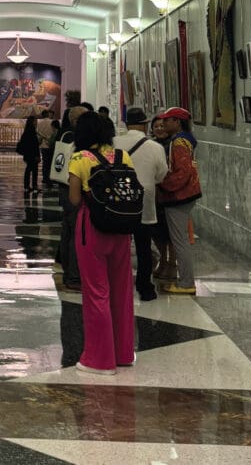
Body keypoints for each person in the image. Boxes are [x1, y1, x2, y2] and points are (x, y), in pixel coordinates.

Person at [67, 111, 137, 374]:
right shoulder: (123, 156)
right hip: (121, 228)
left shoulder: (80, 159)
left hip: (92, 229)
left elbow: (74, 199)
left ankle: (99, 359)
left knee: (96, 292)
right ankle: (122, 352)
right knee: (121, 290)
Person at [113, 108, 168, 302]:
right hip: (144, 199)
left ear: (126, 125)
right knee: (144, 246)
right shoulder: (155, 147)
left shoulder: (114, 143)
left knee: (120, 245)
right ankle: (145, 287)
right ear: (145, 125)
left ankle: (119, 285)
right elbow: (162, 175)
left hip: (119, 199)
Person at [157, 107, 203, 295]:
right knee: (180, 239)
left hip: (179, 196)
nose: (163, 124)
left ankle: (186, 283)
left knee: (180, 241)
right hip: (184, 194)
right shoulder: (182, 140)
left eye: (167, 120)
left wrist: (164, 185)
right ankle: (185, 280)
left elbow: (182, 173)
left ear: (177, 122)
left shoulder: (179, 143)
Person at [57, 104, 89, 292]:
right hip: (71, 188)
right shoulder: (73, 137)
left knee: (69, 230)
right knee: (75, 231)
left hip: (66, 188)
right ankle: (74, 276)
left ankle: (69, 272)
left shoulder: (64, 134)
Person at [150, 115, 176, 281]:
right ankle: (163, 259)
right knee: (157, 230)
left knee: (171, 231)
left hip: (171, 193)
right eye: (156, 126)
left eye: (162, 125)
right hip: (155, 193)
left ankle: (171, 264)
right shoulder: (150, 145)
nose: (159, 129)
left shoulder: (174, 145)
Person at [16, 115, 41, 195]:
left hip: (27, 154)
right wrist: (37, 155)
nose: (36, 123)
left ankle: (27, 186)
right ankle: (34, 186)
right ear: (32, 122)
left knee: (28, 170)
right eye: (35, 121)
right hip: (33, 155)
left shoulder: (26, 131)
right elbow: (35, 145)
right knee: (34, 171)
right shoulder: (32, 132)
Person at [36, 110, 55, 185]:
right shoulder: (52, 122)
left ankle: (44, 177)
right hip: (51, 144)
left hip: (43, 145)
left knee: (45, 162)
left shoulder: (39, 123)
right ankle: (50, 177)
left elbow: (38, 134)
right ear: (48, 115)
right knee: (51, 162)